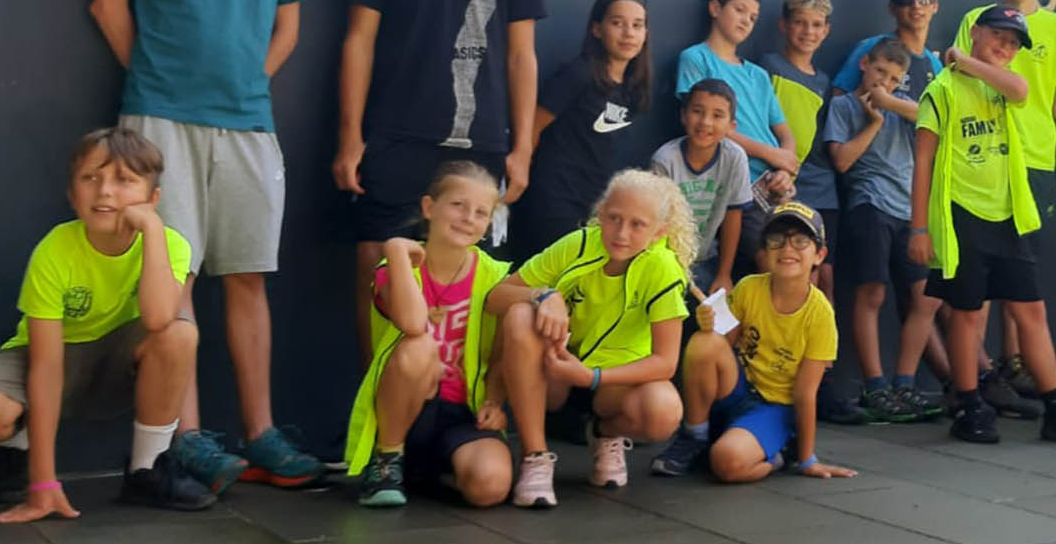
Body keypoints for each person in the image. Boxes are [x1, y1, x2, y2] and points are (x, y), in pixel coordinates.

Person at [88, 0, 319, 488]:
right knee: (174, 277)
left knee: (247, 276)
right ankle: (184, 438)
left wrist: (249, 81)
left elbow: (289, 26)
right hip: (160, 119)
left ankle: (261, 434)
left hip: (248, 123)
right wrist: (153, 81)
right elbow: (107, 2)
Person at [335, 0, 546, 369]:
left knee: (477, 278)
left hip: (481, 145)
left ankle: (466, 404)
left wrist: (523, 148)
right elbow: (359, 42)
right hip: (396, 136)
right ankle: (378, 403)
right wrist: (350, 137)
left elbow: (522, 57)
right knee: (377, 264)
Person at [0, 128, 208, 520]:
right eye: (91, 178)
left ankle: (147, 469)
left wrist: (152, 229)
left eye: (124, 180)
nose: (105, 192)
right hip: (55, 360)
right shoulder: (54, 250)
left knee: (180, 333)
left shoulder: (172, 244)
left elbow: (157, 318)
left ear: (152, 199)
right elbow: (47, 366)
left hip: (120, 364)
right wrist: (43, 486)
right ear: (72, 195)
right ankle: (20, 449)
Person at [910, 5, 1056, 444]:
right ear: (975, 31)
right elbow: (924, 161)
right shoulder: (941, 90)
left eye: (1013, 44)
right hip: (961, 212)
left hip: (1008, 213)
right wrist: (919, 229)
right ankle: (969, 404)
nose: (1006, 48)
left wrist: (965, 59)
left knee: (1031, 308)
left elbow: (1020, 88)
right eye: (998, 36)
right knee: (967, 313)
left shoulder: (1001, 84)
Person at [497, 169, 696, 500]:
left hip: (611, 384)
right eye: (614, 218)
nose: (622, 233)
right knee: (520, 315)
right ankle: (535, 456)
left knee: (663, 411)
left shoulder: (663, 267)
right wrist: (543, 295)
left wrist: (591, 376)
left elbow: (665, 363)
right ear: (601, 213)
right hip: (555, 374)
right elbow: (496, 296)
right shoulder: (578, 244)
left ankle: (604, 433)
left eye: (637, 225)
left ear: (659, 231)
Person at [651, 202, 859, 482]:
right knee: (704, 342)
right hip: (736, 391)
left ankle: (780, 456)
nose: (787, 248)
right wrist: (710, 323)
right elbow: (722, 344)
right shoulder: (749, 287)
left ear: (819, 255)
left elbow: (805, 394)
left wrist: (807, 459)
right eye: (777, 239)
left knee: (726, 462)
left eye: (800, 241)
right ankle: (694, 436)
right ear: (764, 251)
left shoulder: (820, 314)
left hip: (773, 407)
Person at [953, 0, 1056, 412]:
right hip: (984, 160)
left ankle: (1014, 364)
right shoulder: (976, 18)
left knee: (1022, 273)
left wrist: (1051, 153)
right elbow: (959, 74)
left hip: (1036, 161)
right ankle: (980, 377)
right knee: (978, 280)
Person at [346, 163, 513, 509]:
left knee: (490, 486)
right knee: (419, 346)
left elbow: (501, 352)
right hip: (408, 411)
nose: (468, 218)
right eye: (458, 205)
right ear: (428, 207)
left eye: (481, 213)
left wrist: (495, 401)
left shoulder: (495, 275)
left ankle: (434, 472)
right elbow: (412, 323)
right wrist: (395, 250)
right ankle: (387, 460)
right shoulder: (394, 268)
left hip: (462, 415)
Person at [758, 0, 863, 425]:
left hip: (823, 192)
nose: (808, 31)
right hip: (779, 190)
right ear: (784, 25)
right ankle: (775, 384)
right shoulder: (766, 68)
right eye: (800, 22)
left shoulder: (826, 83)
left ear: (827, 31)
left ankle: (822, 384)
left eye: (816, 24)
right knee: (781, 283)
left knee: (823, 285)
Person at [822, 38, 942, 423]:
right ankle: (875, 386)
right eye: (879, 72)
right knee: (872, 293)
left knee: (926, 298)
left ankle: (903, 383)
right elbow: (842, 161)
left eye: (893, 78)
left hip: (910, 212)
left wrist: (888, 104)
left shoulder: (902, 106)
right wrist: (874, 122)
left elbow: (933, 118)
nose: (884, 82)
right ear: (864, 65)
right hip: (869, 205)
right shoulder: (843, 106)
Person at [507, 0, 651, 261]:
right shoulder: (578, 74)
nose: (628, 33)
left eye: (637, 25)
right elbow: (532, 127)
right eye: (617, 23)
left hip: (595, 207)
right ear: (597, 29)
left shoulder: (633, 88)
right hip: (554, 203)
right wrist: (521, 171)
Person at [676, 0, 800, 271]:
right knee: (770, 266)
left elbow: (785, 134)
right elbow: (705, 129)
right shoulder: (696, 58)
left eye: (753, 17)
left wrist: (785, 169)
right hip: (739, 185)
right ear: (715, 8)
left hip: (776, 185)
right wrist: (773, 155)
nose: (746, 21)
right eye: (740, 10)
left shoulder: (758, 75)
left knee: (800, 265)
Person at [652, 79, 753, 293]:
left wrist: (724, 274)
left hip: (707, 258)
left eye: (717, 115)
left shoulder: (734, 157)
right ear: (683, 115)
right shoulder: (665, 160)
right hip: (667, 257)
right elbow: (657, 223)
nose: (706, 122)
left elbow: (733, 215)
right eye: (697, 111)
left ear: (731, 126)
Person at [833, 0, 943, 101]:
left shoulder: (935, 65)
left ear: (935, 5)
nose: (916, 5)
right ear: (892, 8)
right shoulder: (872, 48)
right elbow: (838, 102)